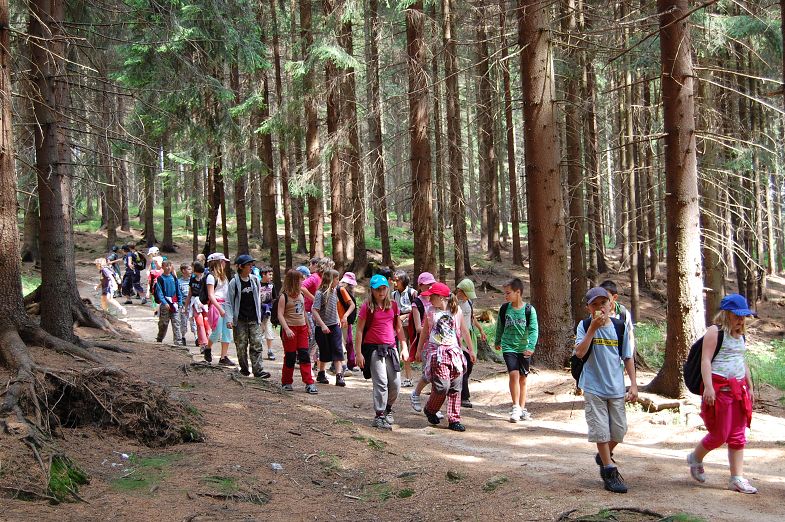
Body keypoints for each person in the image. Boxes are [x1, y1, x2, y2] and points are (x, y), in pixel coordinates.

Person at [686, 294, 757, 494]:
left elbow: (741, 361)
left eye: (743, 316)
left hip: (738, 391)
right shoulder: (715, 332)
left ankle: (737, 478)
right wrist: (708, 387)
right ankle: (695, 458)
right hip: (720, 391)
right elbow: (706, 360)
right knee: (720, 434)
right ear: (726, 314)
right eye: (736, 315)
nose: (741, 320)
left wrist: (750, 386)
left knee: (738, 435)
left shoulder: (740, 335)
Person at [574, 287, 637, 494]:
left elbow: (627, 357)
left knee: (619, 430)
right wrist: (592, 329)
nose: (600, 307)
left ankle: (604, 455)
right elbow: (580, 353)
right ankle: (609, 471)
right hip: (593, 386)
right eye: (595, 304)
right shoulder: (584, 326)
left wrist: (633, 384)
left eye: (603, 303)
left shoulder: (619, 327)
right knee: (600, 430)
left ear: (611, 304)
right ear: (588, 308)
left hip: (616, 387)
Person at [417, 282, 475, 432]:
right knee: (442, 386)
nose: (429, 299)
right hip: (437, 353)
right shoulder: (430, 311)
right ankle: (430, 409)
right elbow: (425, 332)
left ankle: (454, 420)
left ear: (441, 297)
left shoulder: (456, 311)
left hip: (454, 352)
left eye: (432, 297)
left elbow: (464, 331)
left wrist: (471, 350)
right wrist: (418, 350)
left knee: (456, 386)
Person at [356, 274, 408, 430]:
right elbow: (359, 330)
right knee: (381, 382)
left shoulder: (393, 305)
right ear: (372, 290)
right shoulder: (367, 307)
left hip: (391, 348)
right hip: (374, 349)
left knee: (396, 384)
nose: (381, 292)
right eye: (378, 289)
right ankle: (379, 416)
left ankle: (387, 409)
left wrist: (404, 347)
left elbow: (398, 328)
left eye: (384, 288)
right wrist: (358, 353)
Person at [495, 277, 539, 422]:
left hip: (524, 348)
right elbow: (500, 326)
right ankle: (515, 407)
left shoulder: (529, 310)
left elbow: (533, 330)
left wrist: (531, 347)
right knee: (513, 375)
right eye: (505, 293)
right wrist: (497, 340)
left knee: (523, 379)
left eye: (508, 293)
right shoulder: (504, 309)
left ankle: (522, 408)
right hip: (509, 347)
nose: (505, 296)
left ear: (518, 292)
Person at [224, 255, 272, 379]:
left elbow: (258, 299)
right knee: (241, 346)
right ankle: (244, 370)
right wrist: (229, 319)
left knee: (257, 344)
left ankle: (258, 371)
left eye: (251, 265)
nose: (251, 267)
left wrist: (260, 316)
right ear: (240, 267)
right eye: (248, 265)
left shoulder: (254, 280)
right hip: (240, 320)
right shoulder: (234, 282)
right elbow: (228, 302)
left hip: (254, 319)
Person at [278, 269, 318, 394]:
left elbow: (303, 312)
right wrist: (286, 329)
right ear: (294, 281)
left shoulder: (301, 294)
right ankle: (286, 382)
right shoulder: (284, 297)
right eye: (300, 279)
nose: (302, 281)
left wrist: (308, 327)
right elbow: (280, 314)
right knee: (290, 356)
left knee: (304, 355)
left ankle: (309, 383)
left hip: (302, 329)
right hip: (290, 329)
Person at [312, 269, 351, 386]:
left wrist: (338, 319)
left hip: (334, 325)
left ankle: (339, 376)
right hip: (322, 327)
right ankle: (321, 373)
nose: (338, 281)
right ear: (330, 280)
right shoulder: (320, 293)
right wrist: (322, 325)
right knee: (324, 350)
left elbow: (334, 308)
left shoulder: (335, 291)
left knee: (338, 349)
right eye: (337, 279)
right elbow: (314, 310)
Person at [455, 278, 486, 408]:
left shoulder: (468, 302)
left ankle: (458, 390)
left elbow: (471, 317)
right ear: (460, 291)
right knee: (464, 366)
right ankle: (464, 397)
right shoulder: (454, 304)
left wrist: (481, 329)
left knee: (469, 366)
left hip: (469, 336)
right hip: (459, 337)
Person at [409, 272, 436, 411]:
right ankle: (416, 394)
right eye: (427, 284)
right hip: (425, 343)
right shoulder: (417, 303)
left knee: (438, 375)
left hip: (438, 343)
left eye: (432, 284)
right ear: (420, 286)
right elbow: (418, 328)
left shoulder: (435, 299)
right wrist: (433, 327)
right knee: (428, 374)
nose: (430, 286)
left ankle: (434, 406)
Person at [204, 253, 234, 366]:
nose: (225, 263)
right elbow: (211, 295)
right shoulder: (211, 277)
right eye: (223, 261)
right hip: (217, 306)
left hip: (226, 305)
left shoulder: (224, 277)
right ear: (218, 262)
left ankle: (223, 357)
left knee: (227, 331)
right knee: (216, 331)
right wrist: (220, 309)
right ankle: (208, 348)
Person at [301, 257, 328, 369]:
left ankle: (316, 363)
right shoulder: (314, 277)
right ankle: (306, 361)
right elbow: (302, 287)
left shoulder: (324, 279)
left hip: (319, 312)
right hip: (309, 311)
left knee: (318, 338)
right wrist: (314, 299)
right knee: (313, 337)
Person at [392, 270, 417, 386]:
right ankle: (407, 378)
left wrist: (405, 316)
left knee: (411, 350)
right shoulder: (393, 295)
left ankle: (413, 377)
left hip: (411, 325)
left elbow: (417, 309)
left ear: (403, 281)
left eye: (397, 280)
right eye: (394, 280)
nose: (395, 283)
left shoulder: (412, 293)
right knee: (401, 349)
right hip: (398, 326)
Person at [599, 280, 636, 358]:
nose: (603, 301)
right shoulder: (596, 313)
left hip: (619, 358)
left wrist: (628, 356)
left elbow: (630, 336)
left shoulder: (623, 313)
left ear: (614, 297)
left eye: (606, 298)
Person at [153, 260, 184, 344]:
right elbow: (159, 292)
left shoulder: (174, 278)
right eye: (166, 266)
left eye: (170, 265)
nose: (168, 267)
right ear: (162, 267)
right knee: (163, 323)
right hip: (165, 303)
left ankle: (178, 340)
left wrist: (180, 302)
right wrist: (164, 302)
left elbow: (178, 291)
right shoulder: (160, 279)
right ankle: (160, 337)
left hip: (174, 303)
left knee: (176, 322)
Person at [186, 261, 211, 353]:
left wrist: (206, 303)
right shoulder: (192, 279)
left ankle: (208, 343)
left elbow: (209, 292)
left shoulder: (205, 279)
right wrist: (186, 306)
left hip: (204, 303)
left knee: (206, 322)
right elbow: (190, 293)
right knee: (199, 323)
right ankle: (203, 344)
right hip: (195, 303)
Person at [337, 272, 358, 373]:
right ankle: (341, 365)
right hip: (341, 320)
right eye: (349, 284)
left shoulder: (347, 291)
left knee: (348, 342)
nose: (351, 286)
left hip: (346, 320)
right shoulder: (341, 290)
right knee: (342, 342)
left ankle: (351, 363)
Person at [258, 266, 277, 361]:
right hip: (259, 312)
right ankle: (258, 351)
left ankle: (269, 350)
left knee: (269, 331)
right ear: (263, 274)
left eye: (272, 274)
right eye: (270, 274)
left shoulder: (271, 285)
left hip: (268, 312)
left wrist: (271, 307)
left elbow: (274, 298)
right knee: (259, 332)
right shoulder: (257, 284)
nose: (271, 276)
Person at [177, 263, 194, 346]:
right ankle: (183, 336)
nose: (191, 271)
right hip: (184, 304)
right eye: (189, 269)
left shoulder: (193, 280)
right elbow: (179, 294)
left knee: (194, 321)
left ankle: (197, 337)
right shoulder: (179, 282)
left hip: (193, 304)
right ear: (183, 270)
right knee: (183, 321)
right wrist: (180, 304)